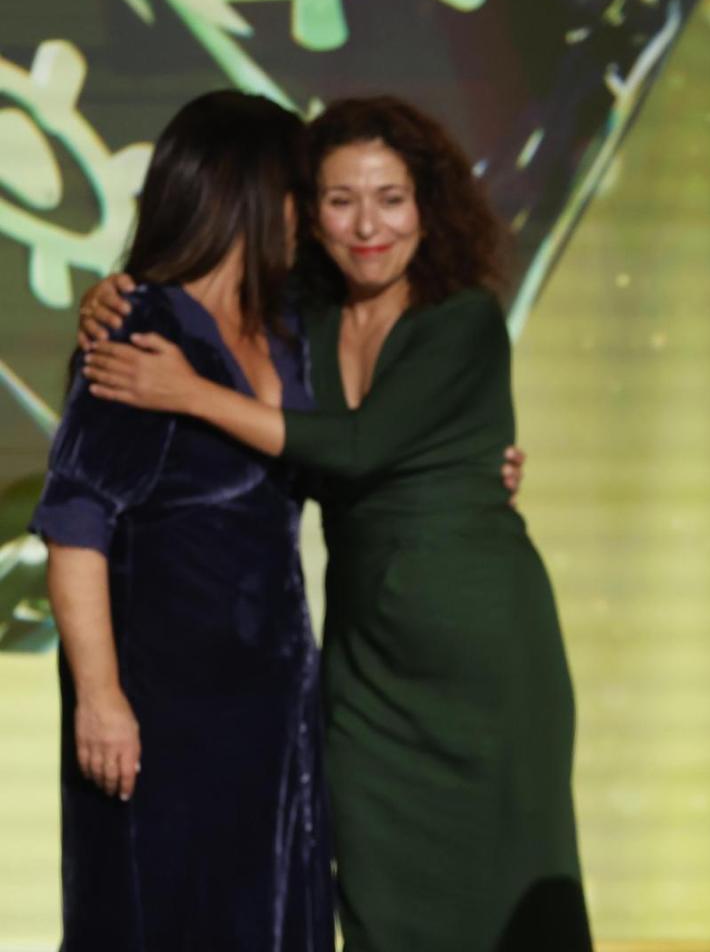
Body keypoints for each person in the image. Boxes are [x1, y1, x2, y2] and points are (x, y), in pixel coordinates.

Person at [79, 97, 590, 952]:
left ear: (428, 206)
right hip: (364, 668)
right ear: (308, 214)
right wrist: (113, 295)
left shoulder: (463, 319)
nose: (367, 226)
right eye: (341, 200)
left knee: (512, 895)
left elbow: (356, 447)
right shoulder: (302, 322)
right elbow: (237, 364)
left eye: (390, 199)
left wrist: (188, 394)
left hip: (486, 660)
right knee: (378, 890)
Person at [32, 91, 333, 950]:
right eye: (299, 191)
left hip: (273, 704)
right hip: (162, 709)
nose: (312, 215)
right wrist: (100, 698)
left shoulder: (291, 327)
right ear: (252, 194)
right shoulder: (142, 324)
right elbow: (76, 525)